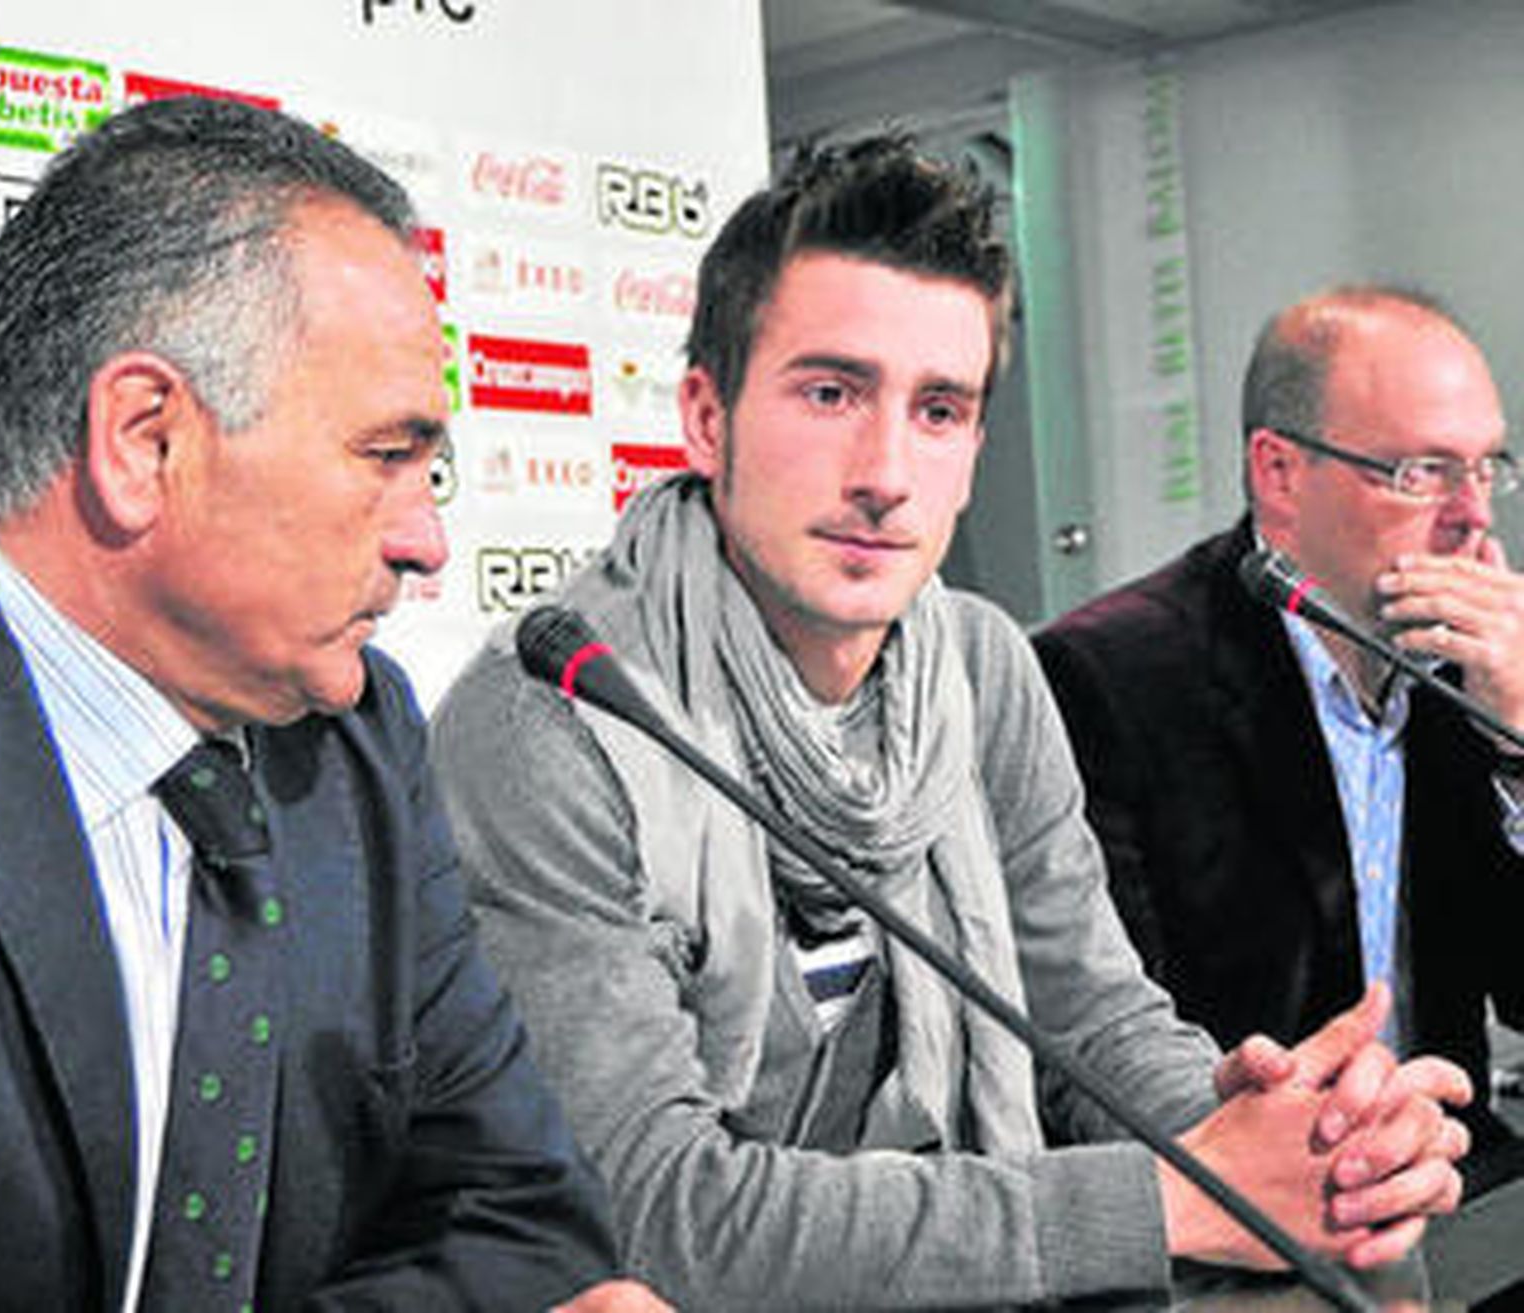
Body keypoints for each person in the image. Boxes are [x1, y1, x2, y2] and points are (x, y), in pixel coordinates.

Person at [431, 141, 1471, 1310]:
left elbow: (1090, 1017)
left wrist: (1281, 1141)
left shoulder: (981, 667)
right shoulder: (555, 711)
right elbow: (652, 1207)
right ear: (705, 416)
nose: (884, 472)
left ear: (973, 451)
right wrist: (1175, 1198)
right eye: (830, 393)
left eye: (938, 410)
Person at [0, 95, 669, 1312]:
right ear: (145, 441)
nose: (427, 541)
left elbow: (525, 1214)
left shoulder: (357, 738)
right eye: (387, 456)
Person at [1034, 285, 1524, 1193]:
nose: (1473, 514)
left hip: (1460, 1179)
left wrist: (1521, 746)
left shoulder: (1472, 672)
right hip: (1249, 1199)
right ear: (1280, 474)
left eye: (1486, 467)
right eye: (1423, 471)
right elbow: (1105, 1051)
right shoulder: (1107, 678)